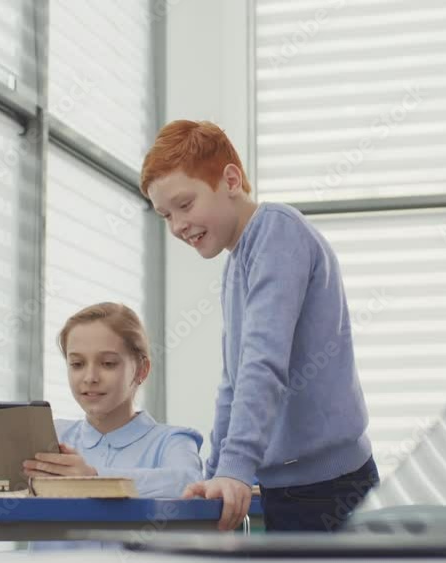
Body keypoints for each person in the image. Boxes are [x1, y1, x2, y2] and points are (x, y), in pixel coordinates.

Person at [140, 120, 379, 532]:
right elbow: (233, 382)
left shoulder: (277, 232)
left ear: (230, 180)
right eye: (165, 215)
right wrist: (215, 473)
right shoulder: (238, 262)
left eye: (185, 204)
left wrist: (234, 467)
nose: (177, 225)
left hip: (332, 488)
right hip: (284, 488)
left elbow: (262, 364)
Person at [24, 302, 203, 497]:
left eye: (108, 363)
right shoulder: (52, 436)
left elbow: (188, 483)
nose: (90, 377)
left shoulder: (173, 441)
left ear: (142, 370)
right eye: (77, 364)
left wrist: (93, 479)